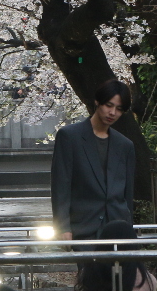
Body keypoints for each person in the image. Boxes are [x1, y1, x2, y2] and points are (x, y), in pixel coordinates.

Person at [50, 80, 137, 241]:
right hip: (83, 227)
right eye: (108, 105)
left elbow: (127, 193)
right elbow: (61, 186)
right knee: (88, 267)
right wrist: (62, 227)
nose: (112, 113)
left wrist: (128, 228)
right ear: (97, 102)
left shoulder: (125, 145)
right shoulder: (69, 137)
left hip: (118, 226)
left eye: (119, 109)